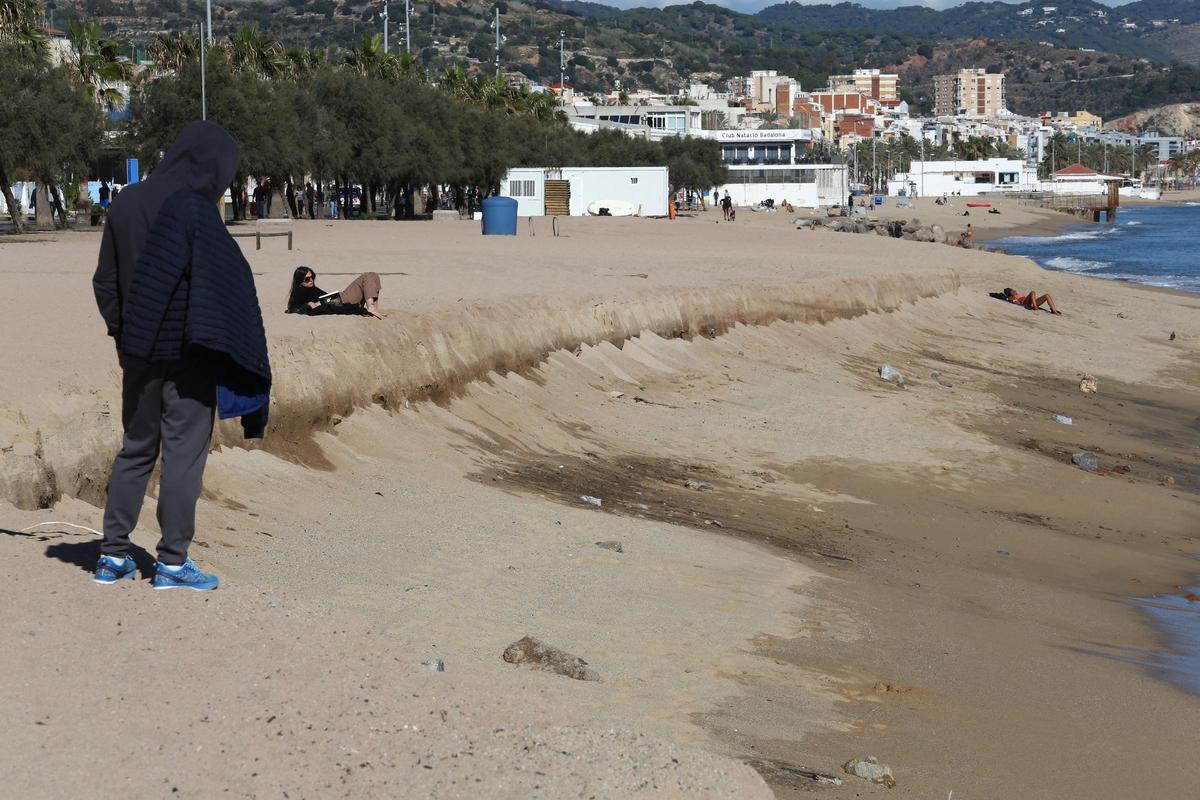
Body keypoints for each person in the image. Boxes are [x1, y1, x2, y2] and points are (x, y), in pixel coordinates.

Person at [92, 120, 271, 591]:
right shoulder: (196, 208)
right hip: (189, 352)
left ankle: (111, 556)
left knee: (135, 448)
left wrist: (122, 336)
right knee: (184, 456)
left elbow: (105, 283)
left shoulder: (126, 201)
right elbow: (218, 287)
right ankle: (171, 563)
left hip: (138, 351)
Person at [286, 266, 384, 319]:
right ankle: (371, 307)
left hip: (335, 298)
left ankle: (374, 309)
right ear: (300, 281)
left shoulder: (310, 288)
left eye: (312, 277)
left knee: (374, 275)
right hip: (336, 300)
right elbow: (293, 308)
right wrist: (309, 305)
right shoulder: (299, 291)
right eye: (307, 279)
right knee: (368, 276)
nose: (311, 280)